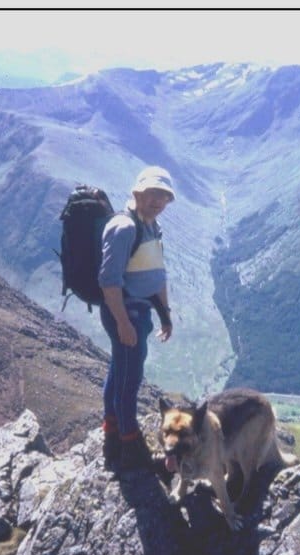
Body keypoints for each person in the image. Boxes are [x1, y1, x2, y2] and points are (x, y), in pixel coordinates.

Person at [98, 166, 175, 470]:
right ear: (138, 192)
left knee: (120, 372)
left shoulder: (150, 225)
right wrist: (123, 323)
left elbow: (156, 274)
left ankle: (112, 437)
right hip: (125, 312)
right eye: (154, 193)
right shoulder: (125, 228)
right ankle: (131, 447)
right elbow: (109, 281)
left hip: (139, 311)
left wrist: (164, 315)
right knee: (129, 382)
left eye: (165, 196)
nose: (159, 201)